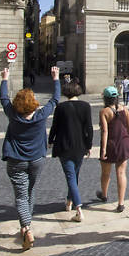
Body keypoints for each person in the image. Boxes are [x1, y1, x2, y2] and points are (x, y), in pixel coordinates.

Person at [0, 66, 60, 250]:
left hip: (16, 160)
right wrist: (55, 78)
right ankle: (27, 223)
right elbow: (55, 99)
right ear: (33, 101)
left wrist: (5, 78)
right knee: (31, 190)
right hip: (37, 159)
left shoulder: (13, 115)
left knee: (20, 195)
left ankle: (26, 228)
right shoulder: (41, 115)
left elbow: (3, 99)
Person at [48, 80, 93, 223]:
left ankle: (79, 209)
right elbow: (89, 128)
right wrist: (89, 145)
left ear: (66, 92)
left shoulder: (60, 107)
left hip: (64, 146)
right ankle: (69, 201)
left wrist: (50, 140)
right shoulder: (86, 106)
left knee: (70, 176)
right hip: (80, 146)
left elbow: (54, 126)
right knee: (74, 175)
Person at [97, 86, 129, 212]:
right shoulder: (125, 109)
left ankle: (104, 195)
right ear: (117, 97)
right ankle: (121, 203)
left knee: (106, 172)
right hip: (123, 142)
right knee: (121, 173)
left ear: (105, 98)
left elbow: (105, 131)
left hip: (110, 144)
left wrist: (103, 150)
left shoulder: (104, 111)